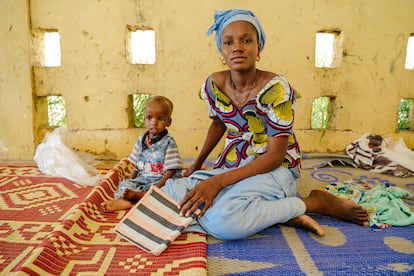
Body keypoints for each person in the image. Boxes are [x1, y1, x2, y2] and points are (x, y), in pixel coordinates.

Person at [156, 9, 370, 240]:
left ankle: (311, 202)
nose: (237, 47)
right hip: (235, 163)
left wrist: (217, 182)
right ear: (222, 51)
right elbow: (218, 123)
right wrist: (197, 164)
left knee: (223, 221)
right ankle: (278, 213)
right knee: (166, 194)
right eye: (228, 42)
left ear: (259, 48)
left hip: (276, 167)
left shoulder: (277, 89)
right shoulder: (212, 85)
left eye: (246, 40)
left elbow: (275, 156)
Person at [101, 96, 183, 212]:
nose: (153, 122)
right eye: (149, 118)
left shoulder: (168, 142)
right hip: (143, 178)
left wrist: (158, 187)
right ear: (144, 119)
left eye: (160, 119)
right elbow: (137, 164)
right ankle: (124, 201)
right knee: (125, 185)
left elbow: (172, 170)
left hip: (161, 179)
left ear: (168, 122)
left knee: (171, 190)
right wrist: (132, 179)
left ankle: (141, 196)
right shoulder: (141, 140)